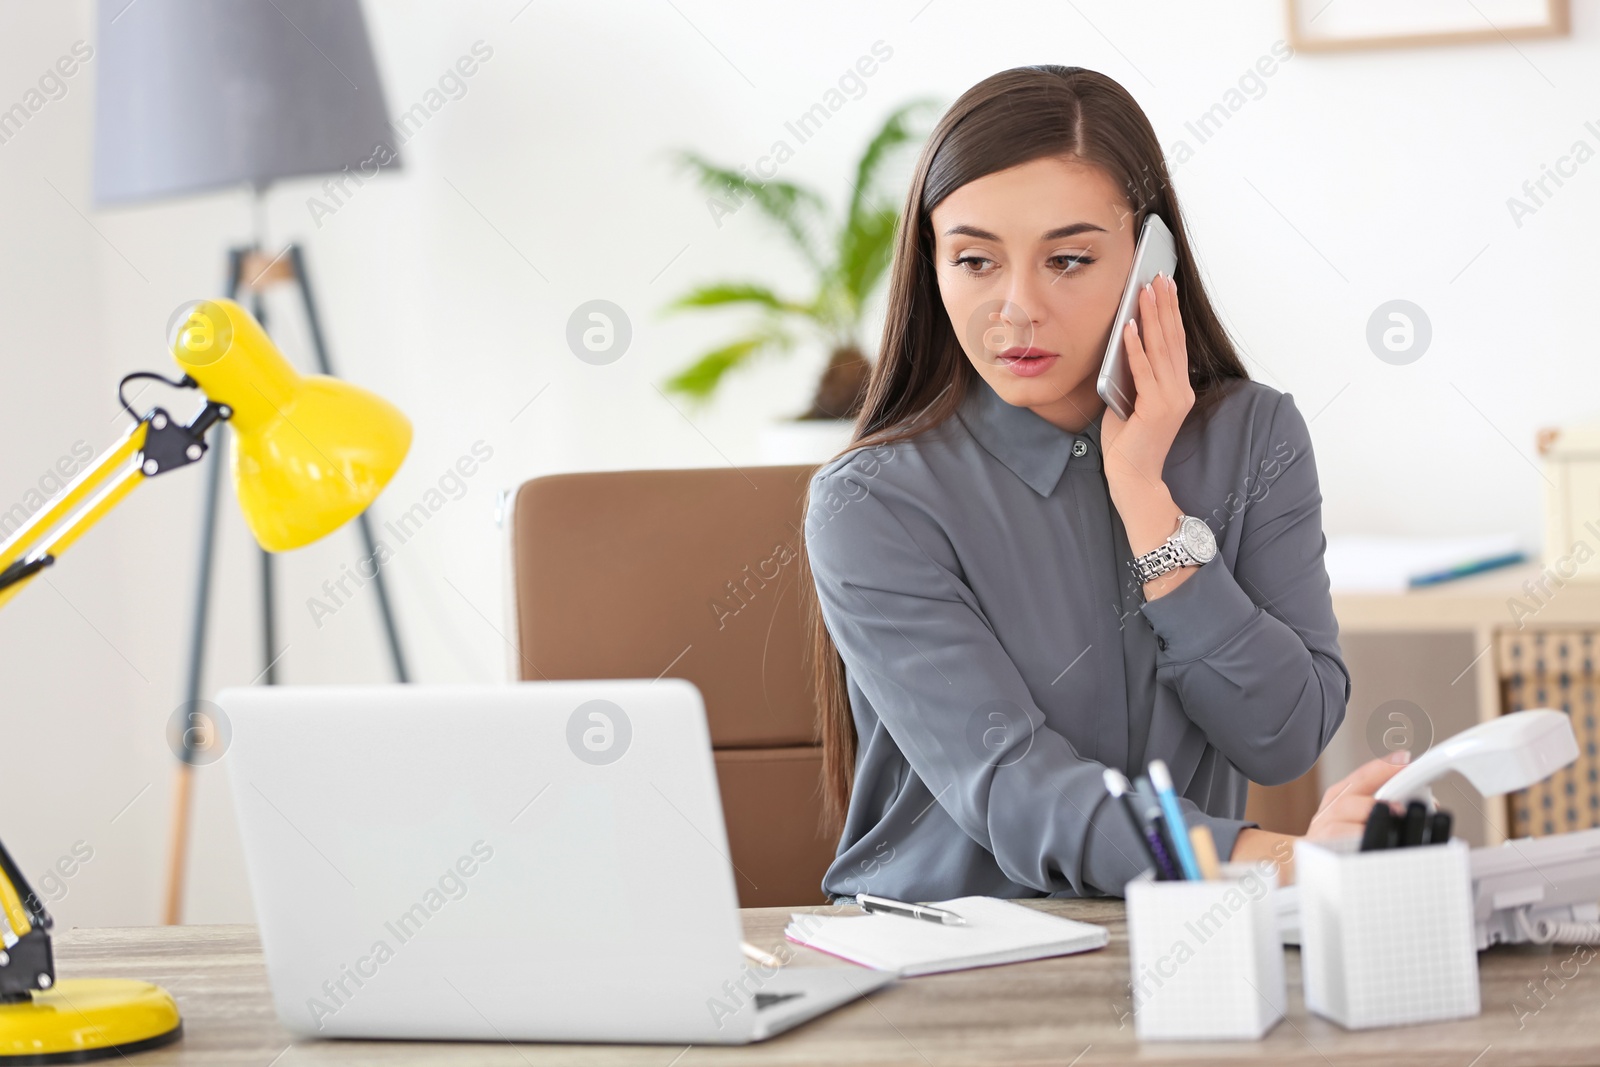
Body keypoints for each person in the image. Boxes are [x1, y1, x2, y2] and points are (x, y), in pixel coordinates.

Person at [799, 64, 1408, 903]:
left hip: (1187, 946)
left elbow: (1284, 734)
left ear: (1149, 259)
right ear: (932, 266)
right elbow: (1017, 787)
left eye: (1070, 259)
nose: (1016, 308)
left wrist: (1148, 505)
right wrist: (1277, 858)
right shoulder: (871, 502)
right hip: (940, 963)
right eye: (975, 260)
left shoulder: (1253, 438)